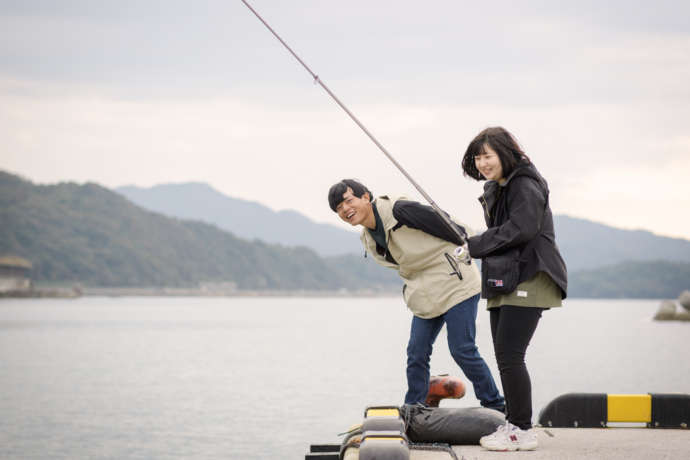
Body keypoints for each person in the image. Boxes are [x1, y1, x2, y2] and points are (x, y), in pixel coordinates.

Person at [327, 179, 505, 411]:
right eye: (339, 209)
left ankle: (496, 406)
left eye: (348, 201)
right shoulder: (368, 238)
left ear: (366, 197)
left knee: (462, 349)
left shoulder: (400, 210)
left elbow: (447, 224)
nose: (345, 210)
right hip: (424, 292)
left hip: (455, 281)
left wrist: (471, 246)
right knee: (416, 353)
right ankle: (415, 408)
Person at [460, 127, 567, 451]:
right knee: (505, 355)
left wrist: (475, 245)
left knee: (510, 355)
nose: (482, 163)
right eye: (477, 157)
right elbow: (502, 230)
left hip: (532, 274)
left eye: (487, 155)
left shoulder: (525, 184)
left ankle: (522, 429)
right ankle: (515, 423)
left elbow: (522, 228)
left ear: (505, 153)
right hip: (508, 277)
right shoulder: (502, 187)